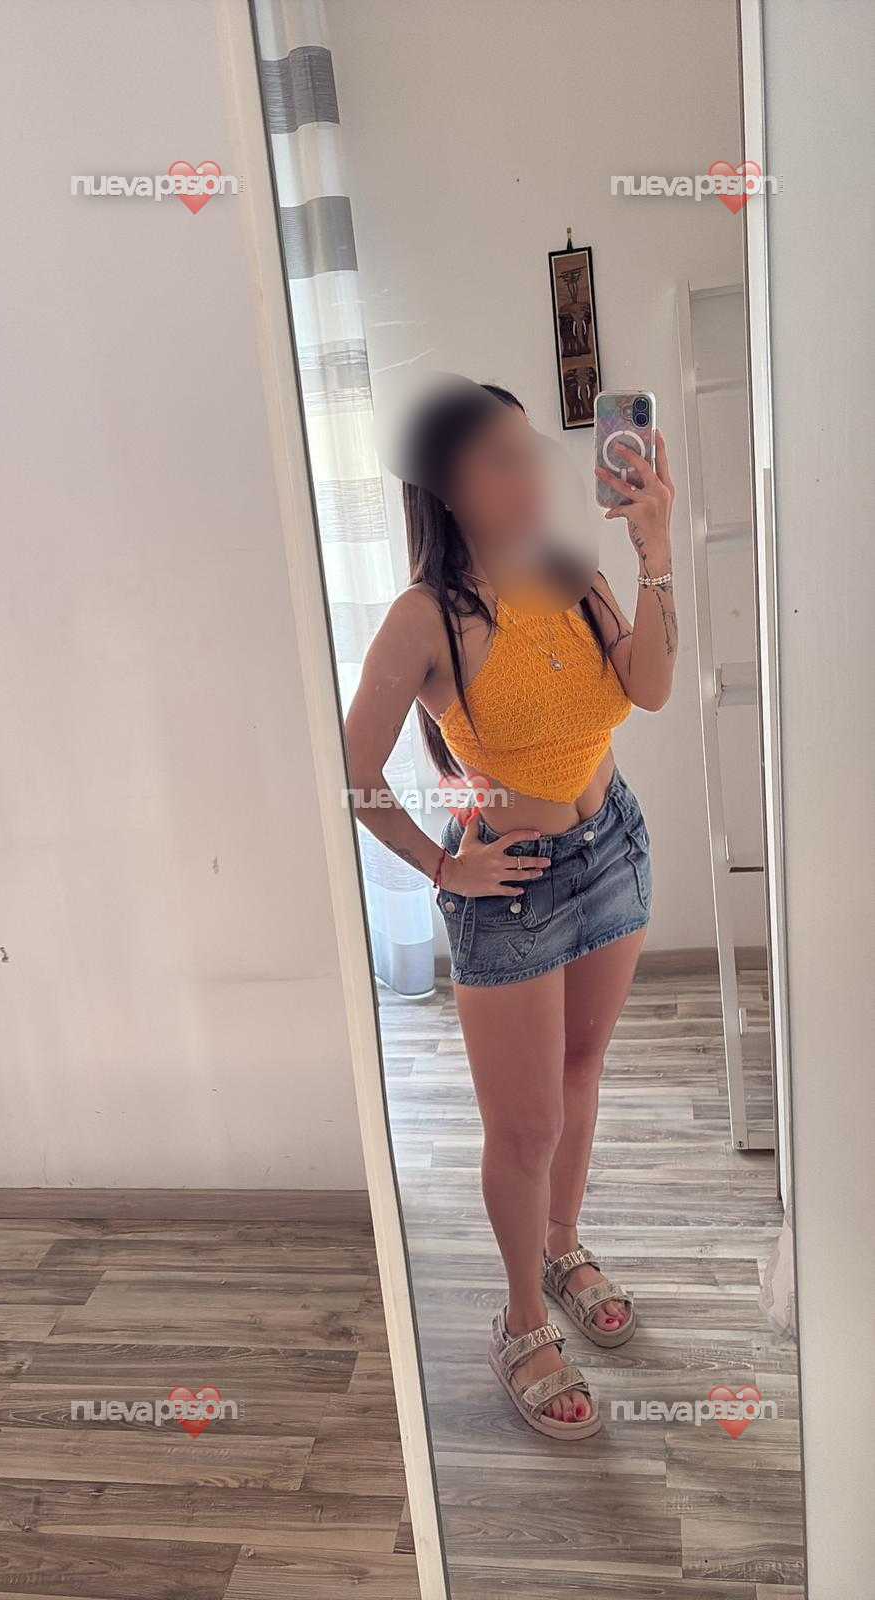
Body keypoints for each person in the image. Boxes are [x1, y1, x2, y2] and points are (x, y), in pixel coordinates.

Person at [347, 382, 676, 1439]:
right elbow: (355, 774)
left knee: (581, 1075)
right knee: (525, 1126)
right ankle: (522, 1317)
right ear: (445, 486)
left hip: (612, 846)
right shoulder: (424, 618)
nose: (528, 473)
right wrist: (441, 874)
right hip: (515, 886)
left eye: (529, 450)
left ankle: (562, 1245)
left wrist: (656, 553)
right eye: (499, 459)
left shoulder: (571, 567)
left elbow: (649, 687)